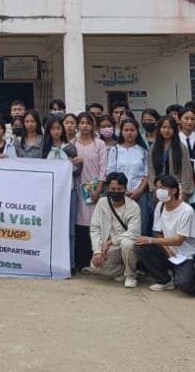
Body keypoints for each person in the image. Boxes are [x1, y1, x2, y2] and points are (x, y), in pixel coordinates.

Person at [134, 174, 195, 292]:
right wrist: (166, 248)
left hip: (185, 255)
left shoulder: (186, 211)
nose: (159, 191)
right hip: (168, 250)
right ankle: (164, 279)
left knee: (184, 284)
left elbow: (178, 240)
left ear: (174, 191)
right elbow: (158, 232)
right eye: (157, 188)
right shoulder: (160, 206)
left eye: (163, 188)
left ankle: (180, 273)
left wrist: (151, 240)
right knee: (140, 246)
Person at [85, 172, 141, 287]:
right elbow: (95, 228)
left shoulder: (133, 207)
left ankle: (131, 276)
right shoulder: (102, 203)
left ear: (125, 189)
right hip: (110, 248)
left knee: (128, 244)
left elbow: (134, 233)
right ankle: (124, 271)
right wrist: (97, 251)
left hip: (126, 244)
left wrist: (111, 242)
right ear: (108, 189)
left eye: (119, 189)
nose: (116, 192)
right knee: (95, 266)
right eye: (113, 189)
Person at [44, 117, 80, 268]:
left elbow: (77, 171)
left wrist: (75, 164)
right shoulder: (45, 149)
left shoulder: (69, 148)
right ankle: (52, 262)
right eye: (53, 129)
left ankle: (70, 263)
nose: (56, 132)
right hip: (51, 194)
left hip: (69, 193)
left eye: (58, 128)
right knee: (51, 229)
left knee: (70, 230)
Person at [73, 113, 107, 271]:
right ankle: (81, 261)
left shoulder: (99, 144)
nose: (85, 126)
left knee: (95, 223)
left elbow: (103, 167)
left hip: (94, 189)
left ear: (93, 125)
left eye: (88, 122)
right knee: (79, 223)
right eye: (81, 122)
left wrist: (99, 188)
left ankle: (96, 259)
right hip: (78, 188)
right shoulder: (72, 144)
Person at [108, 118, 151, 234]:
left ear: (137, 131)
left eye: (132, 130)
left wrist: (139, 191)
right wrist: (123, 191)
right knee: (119, 227)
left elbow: (147, 174)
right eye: (126, 130)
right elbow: (111, 172)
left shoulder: (143, 151)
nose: (129, 133)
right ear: (121, 132)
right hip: (119, 194)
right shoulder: (115, 150)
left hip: (140, 194)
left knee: (141, 227)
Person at [148, 116, 195, 205]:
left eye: (170, 128)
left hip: (177, 190)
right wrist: (154, 188)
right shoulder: (154, 147)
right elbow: (151, 170)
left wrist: (184, 192)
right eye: (164, 127)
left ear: (174, 130)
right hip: (159, 190)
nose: (166, 130)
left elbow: (186, 171)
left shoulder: (181, 147)